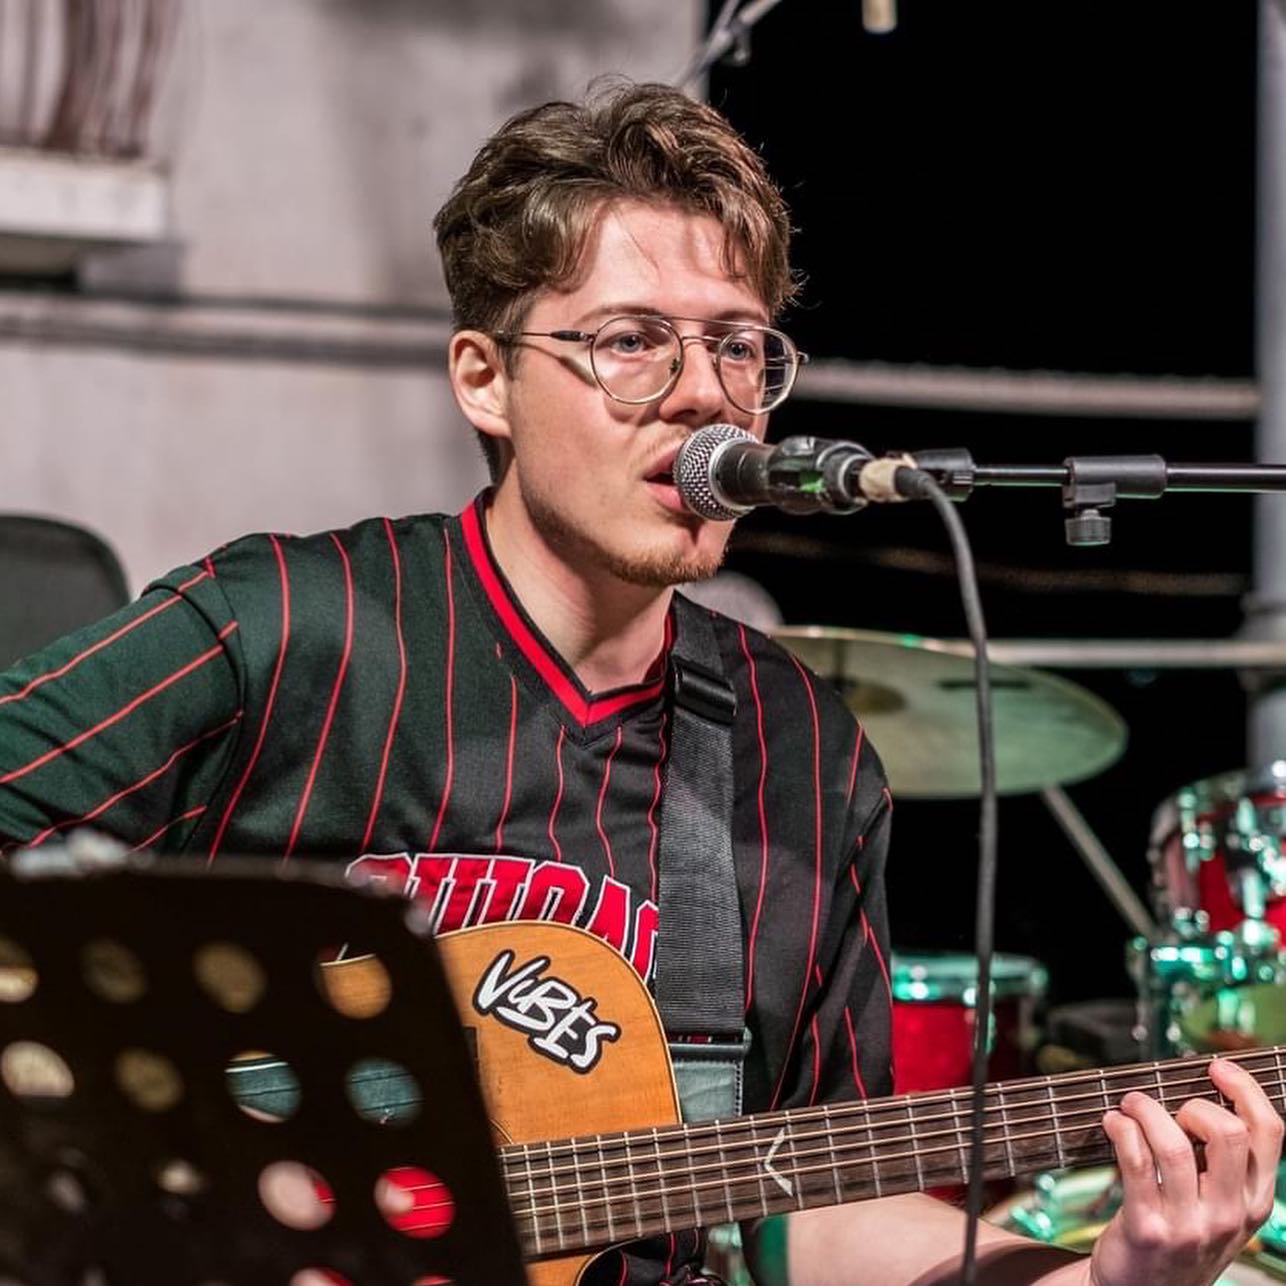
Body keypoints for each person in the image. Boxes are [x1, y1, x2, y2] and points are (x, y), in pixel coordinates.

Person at [0, 81, 1280, 1286]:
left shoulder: (803, 756)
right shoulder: (285, 629)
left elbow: (806, 1198)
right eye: (630, 342)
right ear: (484, 379)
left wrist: (1118, 1269)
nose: (700, 396)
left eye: (736, 346)